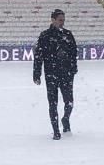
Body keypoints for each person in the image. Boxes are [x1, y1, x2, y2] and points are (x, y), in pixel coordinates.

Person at [33, 8, 78, 140]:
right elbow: (38, 56)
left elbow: (74, 53)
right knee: (53, 103)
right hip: (51, 74)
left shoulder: (68, 34)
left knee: (69, 101)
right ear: (53, 20)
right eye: (60, 20)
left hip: (66, 74)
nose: (62, 22)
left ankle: (65, 119)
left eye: (63, 20)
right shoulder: (45, 35)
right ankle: (56, 130)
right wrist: (36, 74)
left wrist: (73, 68)